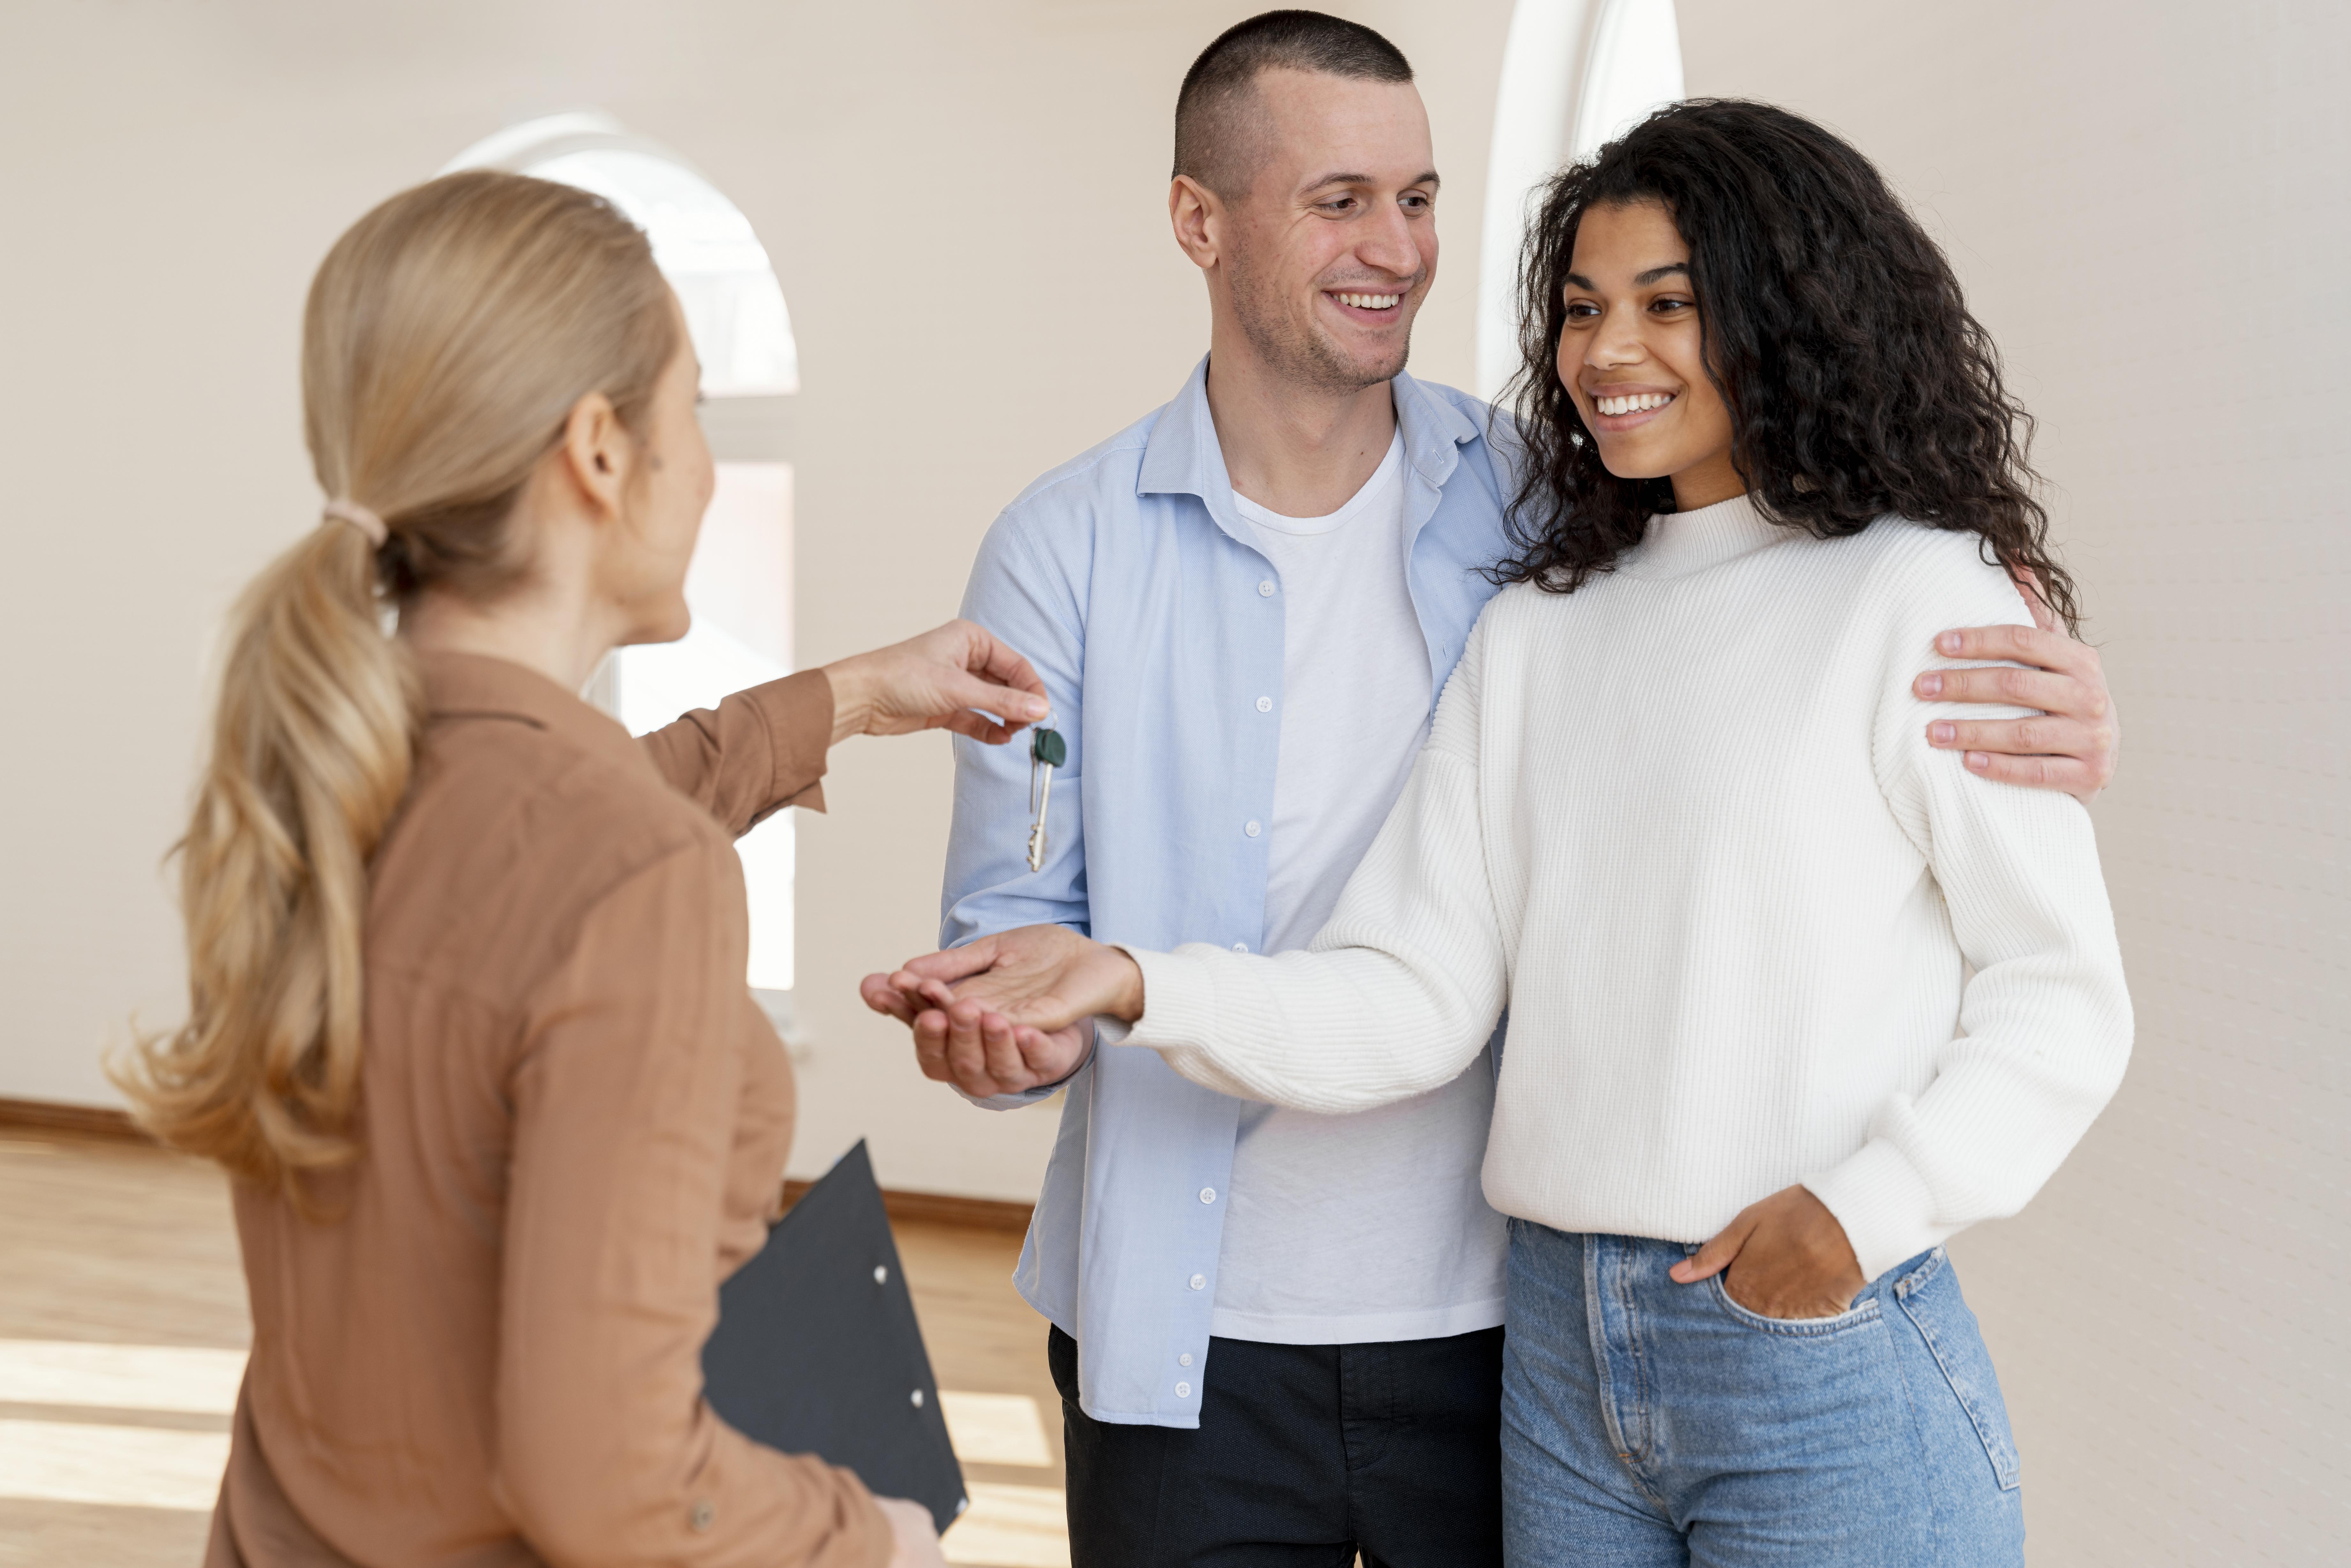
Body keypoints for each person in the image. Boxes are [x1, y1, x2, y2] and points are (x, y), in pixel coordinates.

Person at [863, 16, 2123, 1566]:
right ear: (1202, 219)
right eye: (1586, 308)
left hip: (1707, 1341)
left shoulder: (1794, 566)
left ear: (1783, 311)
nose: (1607, 353)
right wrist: (1119, 984)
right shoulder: (1537, 605)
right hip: (1486, 1347)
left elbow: (2052, 984)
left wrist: (1862, 1217)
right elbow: (1412, 986)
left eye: (1670, 304)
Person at [117, 171, 1052, 1568]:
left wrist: (856, 694)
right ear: (600, 450)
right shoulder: (626, 872)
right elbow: (612, 1480)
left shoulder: (323, 781)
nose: (708, 464)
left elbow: (576, 819)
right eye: (694, 411)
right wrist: (874, 1537)